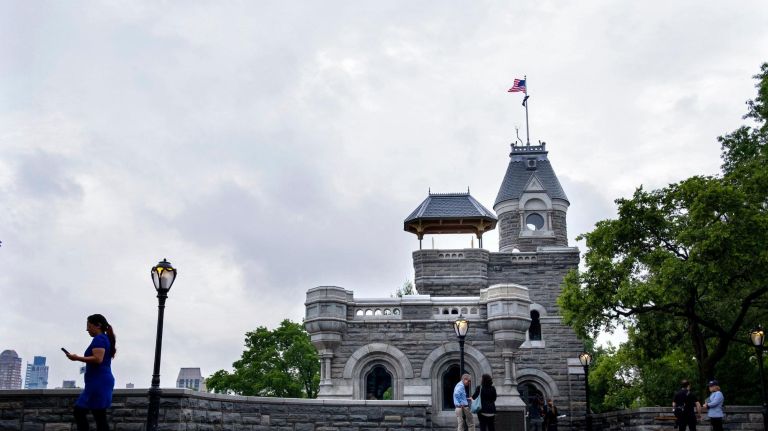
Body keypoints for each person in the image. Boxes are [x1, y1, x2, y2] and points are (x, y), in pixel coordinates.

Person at [65, 314, 116, 431]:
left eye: (89, 326)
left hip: (98, 381)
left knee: (79, 411)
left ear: (98, 325)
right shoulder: (104, 338)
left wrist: (76, 358)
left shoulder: (99, 338)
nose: (87, 329)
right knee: (99, 415)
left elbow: (98, 359)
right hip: (100, 380)